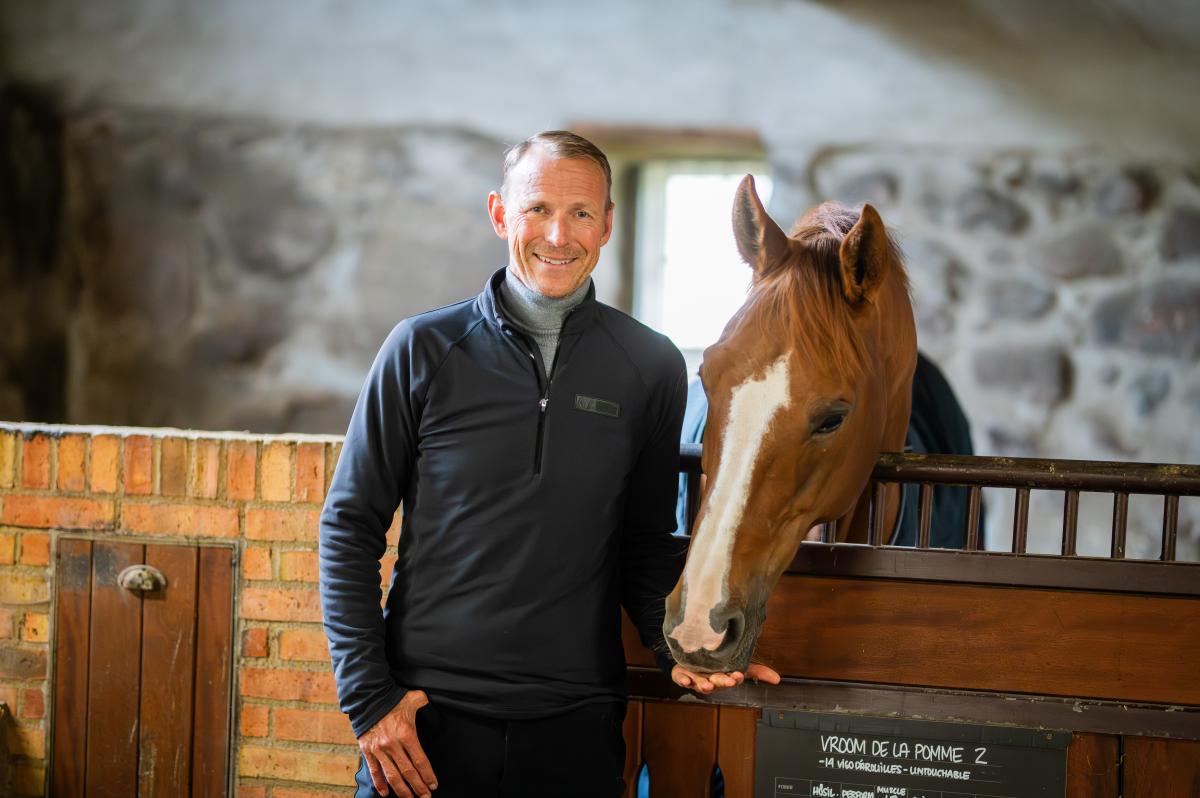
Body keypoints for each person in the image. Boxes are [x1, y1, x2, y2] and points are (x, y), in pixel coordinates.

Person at [319, 130, 778, 798]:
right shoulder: (422, 348)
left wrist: (688, 652)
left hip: (576, 726)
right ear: (501, 214)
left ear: (608, 225)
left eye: (582, 213)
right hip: (424, 723)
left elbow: (644, 546)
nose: (559, 235)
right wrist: (368, 702)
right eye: (537, 210)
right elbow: (349, 526)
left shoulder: (649, 367)